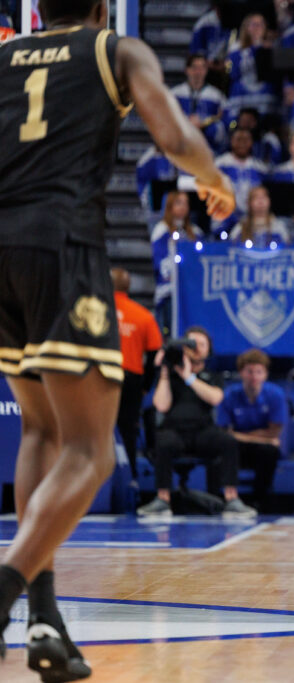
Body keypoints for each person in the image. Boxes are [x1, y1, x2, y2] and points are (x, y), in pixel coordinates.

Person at [0, 0, 235, 678]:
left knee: (41, 434)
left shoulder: (4, 55)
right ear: (103, 8)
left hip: (2, 248)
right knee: (92, 451)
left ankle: (44, 615)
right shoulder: (115, 51)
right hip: (61, 241)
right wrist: (212, 178)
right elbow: (176, 136)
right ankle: (9, 587)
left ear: (38, 8)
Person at [137, 326, 257, 520]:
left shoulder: (213, 375)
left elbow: (216, 398)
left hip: (202, 432)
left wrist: (189, 377)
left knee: (227, 442)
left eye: (201, 344)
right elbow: (161, 405)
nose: (196, 348)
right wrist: (166, 372)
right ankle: (163, 499)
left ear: (209, 350)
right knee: (163, 441)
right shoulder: (171, 375)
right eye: (191, 343)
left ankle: (232, 499)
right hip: (175, 431)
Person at [216, 349, 287, 512]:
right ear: (241, 373)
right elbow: (225, 432)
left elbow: (274, 433)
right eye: (249, 371)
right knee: (224, 448)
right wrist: (260, 437)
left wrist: (239, 435)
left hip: (258, 449)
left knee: (270, 452)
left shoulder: (275, 395)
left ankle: (260, 501)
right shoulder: (229, 395)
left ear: (265, 374)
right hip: (236, 448)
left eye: (258, 372)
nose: (254, 376)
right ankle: (222, 500)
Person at [112, 268, 162, 483]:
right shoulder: (143, 316)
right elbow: (154, 357)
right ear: (128, 287)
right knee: (127, 431)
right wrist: (145, 386)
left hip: (97, 379)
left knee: (93, 432)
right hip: (130, 379)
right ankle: (130, 480)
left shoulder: (93, 311)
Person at [150, 191, 203, 330]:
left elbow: (200, 260)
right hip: (169, 291)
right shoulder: (161, 231)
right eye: (178, 203)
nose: (183, 207)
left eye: (186, 203)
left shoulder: (195, 232)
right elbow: (159, 260)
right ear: (169, 206)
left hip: (190, 291)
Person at [214, 127, 269, 234]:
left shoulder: (260, 169)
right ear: (231, 141)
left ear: (251, 142)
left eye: (246, 140)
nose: (242, 143)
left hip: (252, 218)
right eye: (238, 139)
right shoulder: (219, 165)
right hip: (225, 216)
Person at [171, 54, 228, 153]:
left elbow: (224, 124)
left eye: (202, 68)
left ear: (206, 71)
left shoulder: (217, 96)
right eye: (194, 67)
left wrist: (203, 123)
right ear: (187, 70)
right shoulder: (174, 94)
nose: (198, 72)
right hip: (181, 146)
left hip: (207, 148)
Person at [225, 13, 277, 119]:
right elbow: (233, 73)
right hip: (241, 92)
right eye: (254, 24)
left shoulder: (272, 47)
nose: (258, 28)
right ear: (247, 27)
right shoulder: (236, 48)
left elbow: (274, 75)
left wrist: (266, 51)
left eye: (261, 24)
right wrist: (253, 50)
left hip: (264, 91)